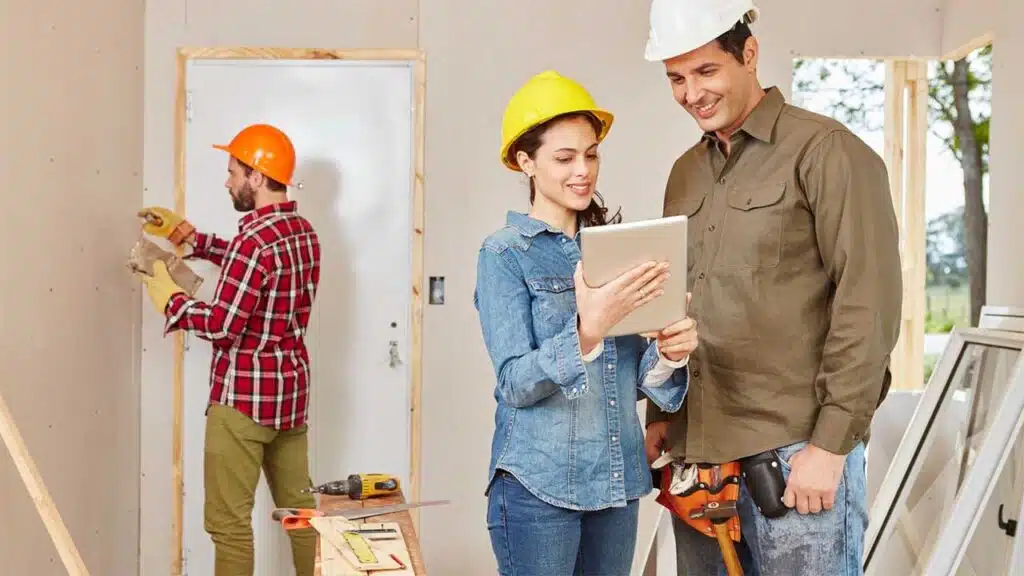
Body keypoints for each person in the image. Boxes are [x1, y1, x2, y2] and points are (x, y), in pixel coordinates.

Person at [641, 0, 903, 573]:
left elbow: (868, 303)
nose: (691, 94)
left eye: (706, 72)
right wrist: (663, 415)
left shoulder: (827, 152)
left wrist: (831, 445)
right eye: (676, 79)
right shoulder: (685, 172)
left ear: (750, 55)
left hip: (794, 456)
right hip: (700, 459)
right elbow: (678, 303)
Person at [474, 69, 700, 576]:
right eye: (565, 157)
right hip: (538, 488)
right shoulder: (505, 255)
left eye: (591, 154)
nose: (584, 170)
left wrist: (670, 352)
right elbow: (514, 383)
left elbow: (636, 384)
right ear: (525, 162)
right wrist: (587, 330)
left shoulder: (616, 250)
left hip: (616, 486)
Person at [136, 123, 321, 576]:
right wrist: (188, 238)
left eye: (233, 171)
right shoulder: (301, 231)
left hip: (241, 404)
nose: (227, 180)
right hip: (288, 398)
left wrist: (171, 300)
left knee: (229, 526)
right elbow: (245, 262)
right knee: (302, 516)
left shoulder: (255, 241)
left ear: (256, 177)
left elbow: (222, 325)